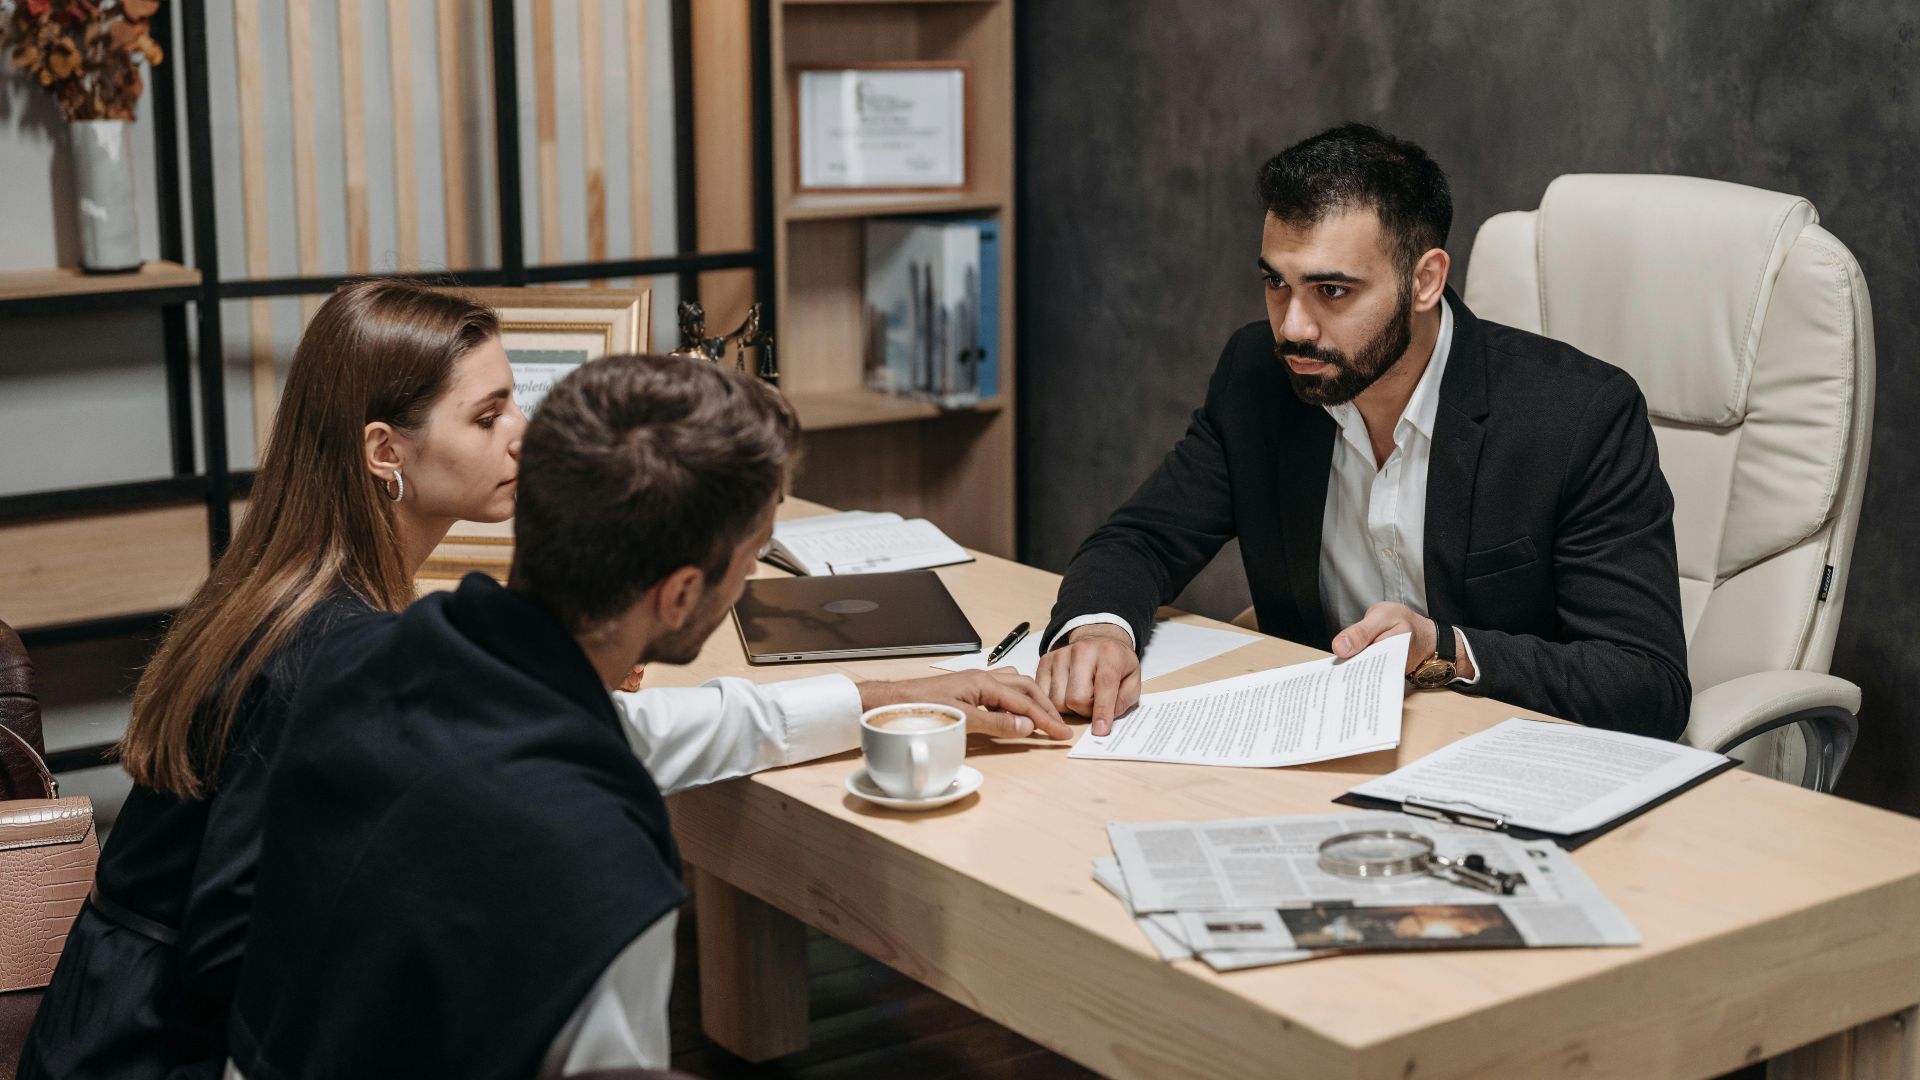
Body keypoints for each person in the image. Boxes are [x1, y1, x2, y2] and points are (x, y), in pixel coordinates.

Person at [225, 354, 1066, 1079]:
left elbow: (643, 733)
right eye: (753, 555)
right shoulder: (597, 862)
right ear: (680, 594)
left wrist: (881, 696)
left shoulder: (378, 663)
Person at [19, 278, 526, 1079]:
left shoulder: (289, 586)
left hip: (110, 1021)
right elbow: (233, 945)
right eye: (488, 415)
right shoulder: (330, 644)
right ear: (384, 451)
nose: (520, 434)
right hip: (155, 1053)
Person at [1034, 123, 1688, 739]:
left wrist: (1447, 651)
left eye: (1332, 291)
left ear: (1425, 280)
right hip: (1321, 751)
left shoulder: (1578, 417)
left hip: (1511, 762)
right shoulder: (1259, 379)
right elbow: (1143, 538)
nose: (1292, 327)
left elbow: (1644, 682)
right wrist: (1099, 631)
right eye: (1275, 283)